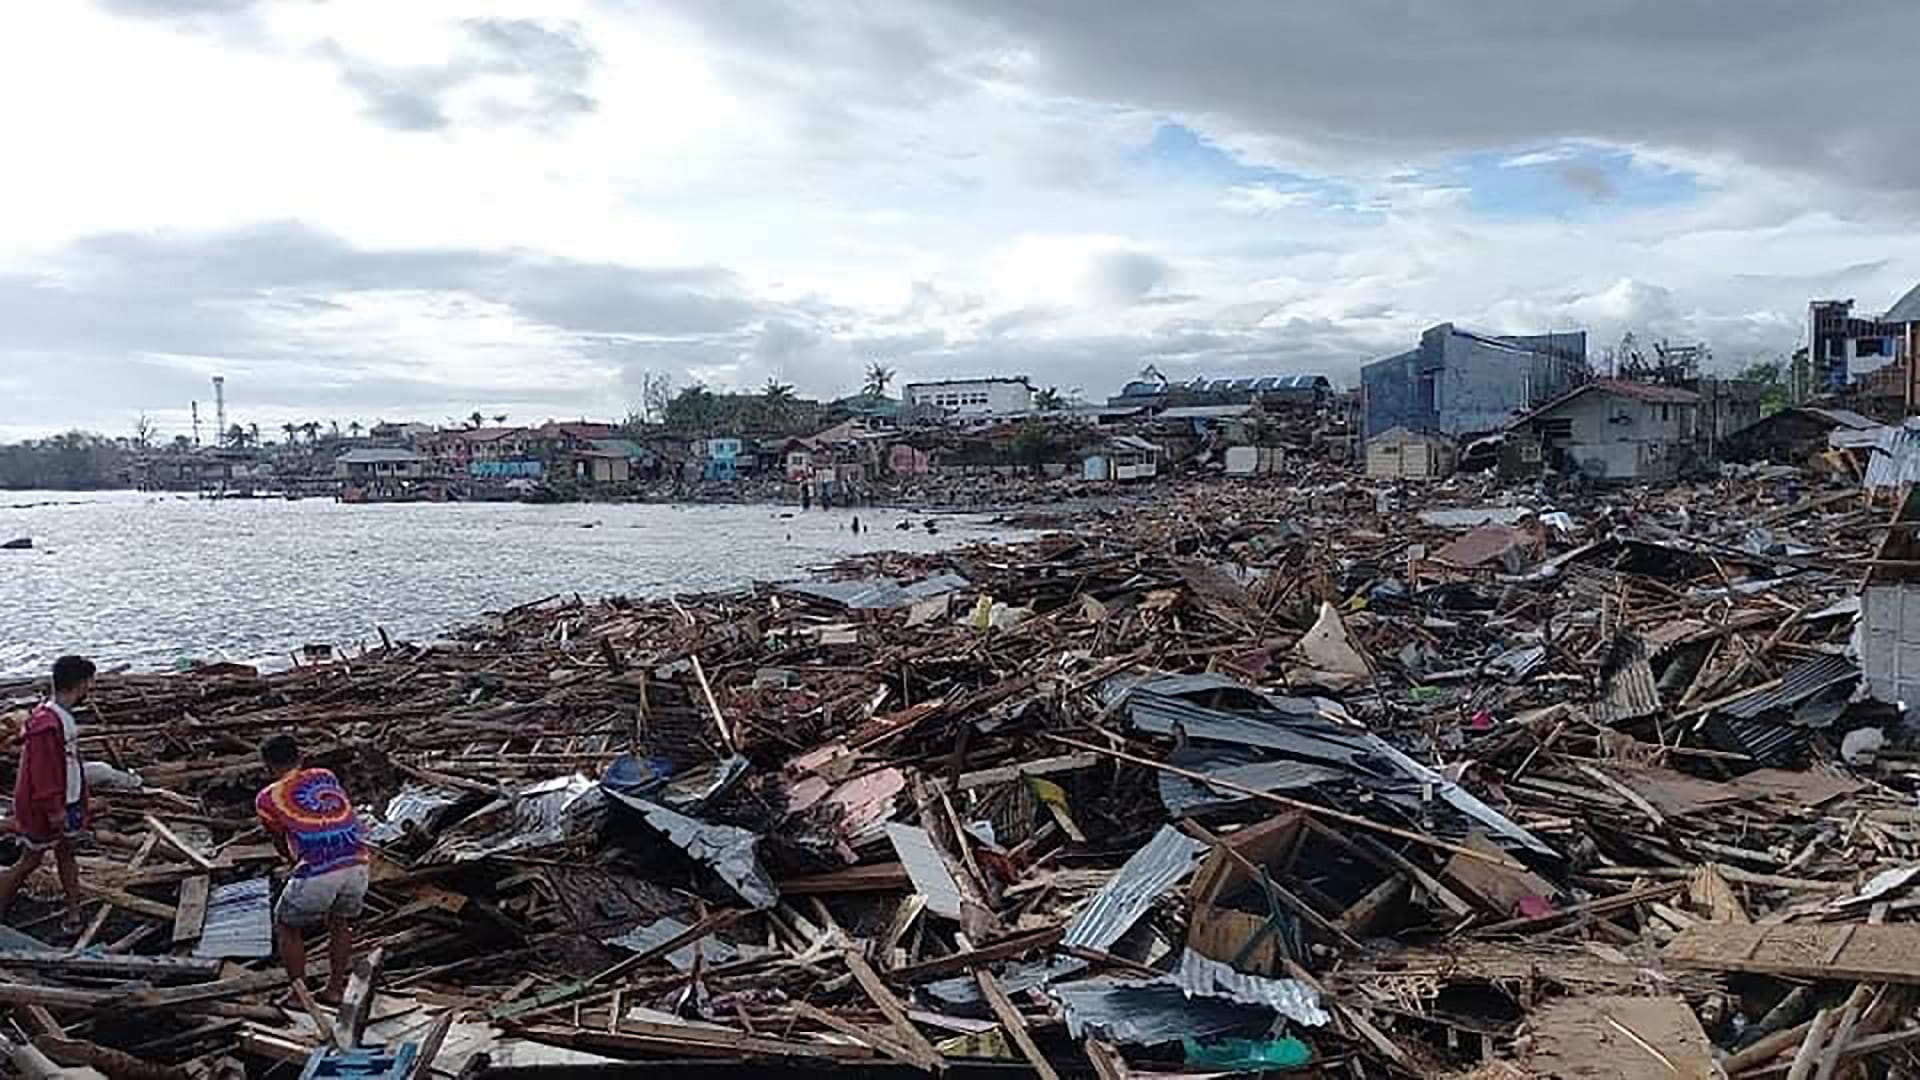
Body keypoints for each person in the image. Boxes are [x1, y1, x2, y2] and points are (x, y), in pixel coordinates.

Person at [255, 734, 367, 1004]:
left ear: (267, 766)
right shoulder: (325, 776)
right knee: (339, 922)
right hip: (358, 861)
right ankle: (335, 988)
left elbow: (280, 840)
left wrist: (292, 864)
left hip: (319, 868)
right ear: (301, 757)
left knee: (286, 925)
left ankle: (298, 993)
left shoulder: (267, 798)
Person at [0, 655, 95, 931]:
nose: (90, 688)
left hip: (68, 801)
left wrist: (79, 799)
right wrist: (55, 810)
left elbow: (69, 764)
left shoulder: (60, 716)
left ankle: (74, 912)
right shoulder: (46, 723)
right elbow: (43, 774)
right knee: (30, 860)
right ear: (80, 684)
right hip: (48, 808)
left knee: (67, 853)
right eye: (89, 682)